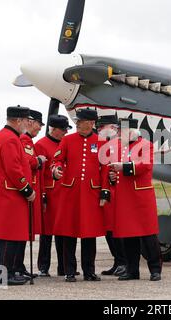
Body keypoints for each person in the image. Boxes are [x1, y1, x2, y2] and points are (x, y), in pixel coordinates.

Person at [52, 108, 110, 282]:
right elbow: (57, 160)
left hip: (91, 193)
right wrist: (56, 170)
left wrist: (104, 191)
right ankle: (69, 271)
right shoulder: (67, 140)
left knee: (89, 234)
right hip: (71, 192)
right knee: (69, 233)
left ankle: (89, 271)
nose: (76, 123)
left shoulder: (100, 142)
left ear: (91, 123)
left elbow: (105, 168)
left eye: (80, 121)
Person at [0, 106, 36, 286]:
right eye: (26, 120)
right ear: (18, 120)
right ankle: (3, 276)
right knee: (7, 237)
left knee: (10, 237)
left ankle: (10, 272)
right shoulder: (10, 140)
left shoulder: (6, 136)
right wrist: (27, 189)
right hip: (9, 194)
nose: (28, 123)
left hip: (7, 194)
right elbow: (13, 169)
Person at [106, 118, 162, 281]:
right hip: (125, 196)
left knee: (148, 235)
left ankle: (155, 270)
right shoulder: (119, 147)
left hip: (140, 196)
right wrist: (112, 175)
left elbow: (144, 165)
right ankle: (132, 270)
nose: (118, 134)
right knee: (128, 235)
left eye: (120, 132)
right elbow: (116, 172)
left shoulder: (145, 145)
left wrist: (122, 167)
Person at [34, 115, 72, 277]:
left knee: (64, 232)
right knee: (47, 233)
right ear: (54, 129)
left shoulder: (66, 142)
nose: (65, 133)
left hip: (64, 193)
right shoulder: (41, 145)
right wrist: (42, 194)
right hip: (50, 194)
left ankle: (64, 267)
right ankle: (43, 267)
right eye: (63, 130)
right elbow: (39, 173)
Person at [96, 115, 127, 277]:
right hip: (107, 191)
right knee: (108, 229)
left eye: (103, 126)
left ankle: (124, 261)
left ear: (113, 128)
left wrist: (114, 176)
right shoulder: (104, 145)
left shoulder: (123, 145)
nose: (100, 130)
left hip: (119, 192)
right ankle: (117, 260)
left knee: (117, 229)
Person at [17, 109, 46, 279]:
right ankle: (17, 267)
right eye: (38, 124)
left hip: (31, 189)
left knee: (25, 232)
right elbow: (27, 162)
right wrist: (39, 160)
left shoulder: (28, 141)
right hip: (27, 191)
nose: (40, 128)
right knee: (22, 231)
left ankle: (19, 267)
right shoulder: (25, 140)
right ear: (30, 122)